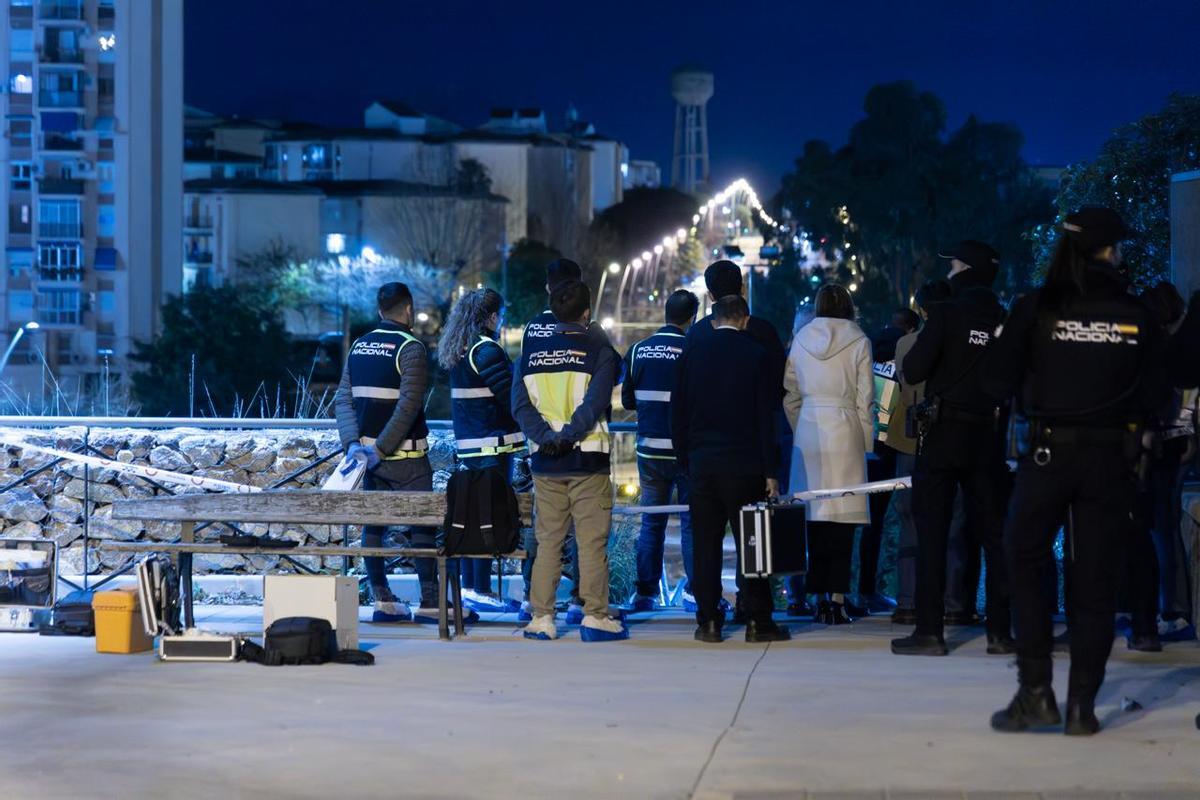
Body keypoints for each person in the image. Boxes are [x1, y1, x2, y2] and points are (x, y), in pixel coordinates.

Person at [984, 207, 1165, 736]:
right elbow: (1158, 392)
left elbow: (996, 381)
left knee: (1024, 558)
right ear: (1108, 251)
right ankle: (1082, 707)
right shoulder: (1136, 314)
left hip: (1047, 456)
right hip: (1112, 459)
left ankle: (1036, 692)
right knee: (1096, 582)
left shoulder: (1036, 309)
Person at [891, 241, 1014, 657]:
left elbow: (914, 369)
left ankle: (929, 631)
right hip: (988, 435)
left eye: (954, 264)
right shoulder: (1003, 317)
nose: (948, 272)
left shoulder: (946, 313)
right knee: (995, 536)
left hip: (944, 434)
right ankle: (1000, 632)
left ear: (966, 270)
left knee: (932, 531)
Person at [512, 279, 627, 642]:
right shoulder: (599, 350)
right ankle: (595, 615)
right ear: (587, 312)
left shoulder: (528, 353)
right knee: (591, 542)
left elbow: (519, 406)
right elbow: (594, 405)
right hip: (587, 459)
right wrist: (567, 437)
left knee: (547, 541)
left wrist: (547, 439)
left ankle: (542, 618)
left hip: (545, 463)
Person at [672, 294, 790, 644]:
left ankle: (708, 620)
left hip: (703, 465)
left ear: (712, 320)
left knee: (705, 544)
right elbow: (767, 419)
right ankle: (757, 620)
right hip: (746, 466)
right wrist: (772, 470)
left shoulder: (692, 356)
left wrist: (685, 461)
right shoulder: (757, 356)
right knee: (752, 544)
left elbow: (676, 415)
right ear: (744, 320)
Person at [335, 282, 446, 624]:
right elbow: (409, 406)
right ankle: (430, 601)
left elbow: (343, 399)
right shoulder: (411, 348)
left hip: (367, 459)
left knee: (374, 528)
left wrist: (355, 445)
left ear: (380, 310)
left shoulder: (359, 345)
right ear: (409, 310)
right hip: (407, 459)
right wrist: (382, 450)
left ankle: (382, 599)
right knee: (423, 527)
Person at [784, 284, 874, 625]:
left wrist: (799, 424)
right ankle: (836, 599)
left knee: (814, 517)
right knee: (844, 518)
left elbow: (789, 394)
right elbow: (865, 398)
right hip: (845, 426)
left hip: (809, 429)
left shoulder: (801, 340)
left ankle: (817, 595)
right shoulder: (859, 340)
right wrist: (866, 442)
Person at [439, 288, 525, 614]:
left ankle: (474, 587)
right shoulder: (487, 350)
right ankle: (480, 589)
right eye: (500, 315)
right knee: (490, 517)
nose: (501, 321)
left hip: (470, 445)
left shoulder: (460, 348)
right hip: (493, 446)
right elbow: (509, 396)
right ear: (491, 317)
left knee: (475, 517)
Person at [518, 257, 587, 622]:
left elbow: (523, 386)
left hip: (541, 442)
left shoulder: (533, 329)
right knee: (582, 524)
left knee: (543, 523)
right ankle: (580, 599)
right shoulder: (585, 329)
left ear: (548, 289)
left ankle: (532, 599)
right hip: (580, 441)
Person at [621, 289, 699, 612]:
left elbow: (627, 401)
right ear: (692, 318)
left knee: (652, 524)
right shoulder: (693, 349)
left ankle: (646, 593)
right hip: (686, 453)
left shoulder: (639, 350)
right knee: (693, 523)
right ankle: (695, 592)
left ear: (665, 314)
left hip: (650, 454)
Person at [848, 309, 918, 617]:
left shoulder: (867, 356)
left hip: (859, 447)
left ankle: (849, 593)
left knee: (853, 523)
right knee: (880, 524)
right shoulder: (904, 360)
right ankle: (868, 589)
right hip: (890, 449)